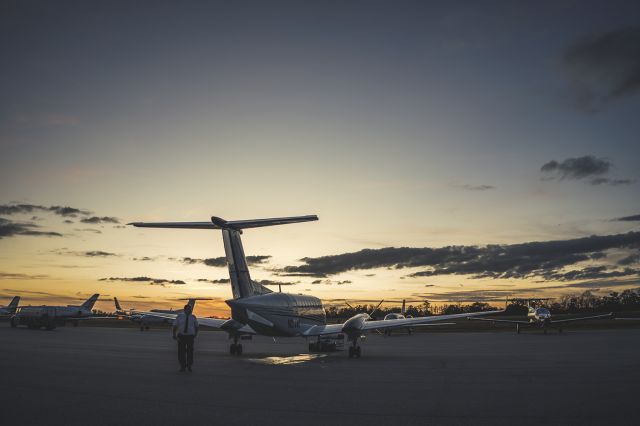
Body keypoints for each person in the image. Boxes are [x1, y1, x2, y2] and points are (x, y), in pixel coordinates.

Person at [172, 303, 198, 372]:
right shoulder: (179, 316)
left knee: (190, 352)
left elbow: (196, 326)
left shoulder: (193, 317)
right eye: (188, 309)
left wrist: (195, 334)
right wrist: (174, 334)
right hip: (181, 336)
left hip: (190, 336)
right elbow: (175, 326)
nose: (189, 310)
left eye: (190, 309)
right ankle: (182, 366)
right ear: (185, 309)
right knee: (181, 352)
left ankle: (189, 366)